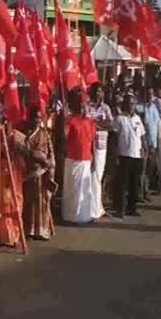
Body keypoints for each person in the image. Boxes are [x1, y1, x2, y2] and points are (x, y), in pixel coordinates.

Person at [62, 88, 99, 224]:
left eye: (84, 104)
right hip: (73, 159)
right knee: (73, 190)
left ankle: (84, 216)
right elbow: (64, 139)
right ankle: (71, 216)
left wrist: (93, 158)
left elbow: (92, 141)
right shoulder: (69, 120)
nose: (83, 107)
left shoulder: (90, 122)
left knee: (85, 189)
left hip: (86, 159)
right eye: (80, 104)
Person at [23, 107, 56, 240]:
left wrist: (49, 164)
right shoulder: (24, 133)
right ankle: (29, 230)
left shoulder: (44, 133)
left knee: (42, 201)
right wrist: (36, 156)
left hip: (42, 172)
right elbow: (24, 150)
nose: (37, 120)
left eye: (39, 117)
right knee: (29, 202)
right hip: (29, 172)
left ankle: (42, 230)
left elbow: (50, 151)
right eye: (34, 117)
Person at [113, 94, 146, 217]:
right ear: (124, 104)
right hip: (124, 155)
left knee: (134, 184)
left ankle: (132, 208)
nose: (131, 106)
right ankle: (120, 209)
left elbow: (142, 135)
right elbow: (115, 137)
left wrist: (144, 148)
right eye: (128, 103)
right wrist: (115, 154)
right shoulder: (119, 118)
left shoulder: (138, 118)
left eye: (133, 104)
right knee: (122, 184)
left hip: (136, 155)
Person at [87, 83, 113, 217]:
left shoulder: (106, 108)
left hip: (101, 146)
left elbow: (110, 124)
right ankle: (90, 207)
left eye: (100, 92)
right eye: (96, 91)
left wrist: (94, 123)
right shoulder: (87, 107)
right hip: (87, 144)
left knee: (97, 175)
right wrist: (97, 123)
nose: (98, 94)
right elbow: (85, 123)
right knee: (89, 175)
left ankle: (97, 207)